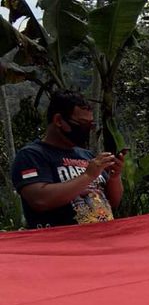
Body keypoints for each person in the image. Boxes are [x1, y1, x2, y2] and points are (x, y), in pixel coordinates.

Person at [11, 90, 124, 229]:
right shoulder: (32, 155)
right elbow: (40, 200)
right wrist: (88, 176)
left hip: (101, 239)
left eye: (90, 125)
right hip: (61, 245)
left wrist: (114, 177)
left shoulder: (87, 155)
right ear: (58, 120)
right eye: (82, 123)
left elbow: (112, 202)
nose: (87, 130)